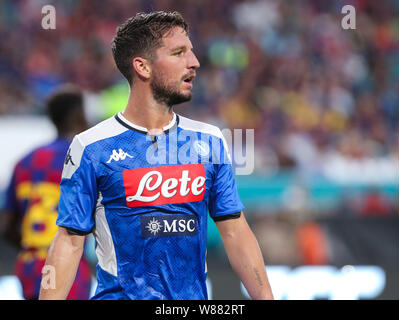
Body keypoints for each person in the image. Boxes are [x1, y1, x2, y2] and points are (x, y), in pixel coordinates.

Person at [39, 11, 274, 300]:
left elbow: (235, 230)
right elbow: (70, 240)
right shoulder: (91, 148)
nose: (194, 62)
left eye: (191, 51)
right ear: (143, 67)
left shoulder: (209, 141)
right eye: (179, 53)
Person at [1, 85, 92, 300]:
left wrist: (36, 247)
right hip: (69, 273)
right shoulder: (85, 160)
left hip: (31, 270)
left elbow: (6, 226)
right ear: (79, 116)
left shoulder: (25, 163)